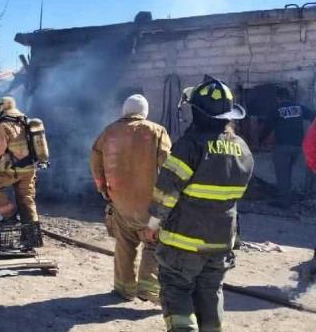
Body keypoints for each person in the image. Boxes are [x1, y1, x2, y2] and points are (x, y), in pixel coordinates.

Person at [146, 78, 254, 332]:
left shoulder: (189, 146)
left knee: (177, 289)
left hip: (184, 241)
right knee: (211, 292)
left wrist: (152, 225)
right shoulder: (242, 148)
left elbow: (166, 193)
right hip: (222, 240)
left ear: (196, 111)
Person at [90, 94, 171, 304]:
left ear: (124, 110)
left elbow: (95, 159)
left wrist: (102, 188)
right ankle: (149, 289)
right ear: (144, 112)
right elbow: (170, 167)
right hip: (149, 204)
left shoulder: (108, 132)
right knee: (153, 244)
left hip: (120, 201)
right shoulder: (156, 131)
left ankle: (123, 290)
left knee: (125, 246)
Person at [0, 96, 38, 223]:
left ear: (2, 107)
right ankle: (32, 228)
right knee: (26, 196)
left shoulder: (4, 124)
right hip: (30, 167)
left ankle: (10, 217)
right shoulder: (26, 121)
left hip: (11, 168)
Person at [259, 87, 314, 207]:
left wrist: (259, 141)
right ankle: (289, 196)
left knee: (283, 175)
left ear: (278, 98)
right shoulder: (299, 107)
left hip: (282, 146)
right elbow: (313, 116)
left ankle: (283, 201)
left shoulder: (276, 109)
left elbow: (267, 128)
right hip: (299, 147)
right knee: (288, 173)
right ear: (289, 97)